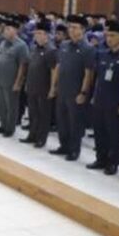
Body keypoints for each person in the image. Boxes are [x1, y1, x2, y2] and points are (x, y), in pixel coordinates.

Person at [87, 21, 119, 176]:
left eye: (113, 35)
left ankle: (113, 162)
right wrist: (94, 96)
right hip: (101, 98)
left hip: (116, 101)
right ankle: (100, 158)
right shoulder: (102, 54)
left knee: (114, 134)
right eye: (107, 35)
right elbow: (98, 78)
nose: (109, 38)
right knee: (99, 131)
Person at [49, 14, 96, 162]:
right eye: (70, 27)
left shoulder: (88, 49)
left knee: (75, 123)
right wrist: (53, 86)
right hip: (62, 89)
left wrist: (83, 92)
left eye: (75, 27)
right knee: (61, 121)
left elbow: (89, 73)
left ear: (83, 30)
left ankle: (74, 149)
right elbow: (58, 66)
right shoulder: (64, 45)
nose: (71, 29)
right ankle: (64, 145)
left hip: (76, 92)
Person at [0, 18, 29, 138]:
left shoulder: (21, 46)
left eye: (8, 29)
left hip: (11, 81)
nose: (5, 31)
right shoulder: (2, 43)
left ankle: (10, 128)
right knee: (1, 104)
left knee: (11, 105)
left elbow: (23, 65)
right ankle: (3, 125)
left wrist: (18, 82)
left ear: (15, 30)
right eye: (5, 29)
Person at [23, 19, 57, 148]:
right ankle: (32, 134)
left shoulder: (51, 50)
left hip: (44, 87)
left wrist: (53, 88)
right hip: (32, 85)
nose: (36, 36)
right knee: (32, 112)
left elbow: (54, 70)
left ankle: (41, 138)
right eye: (35, 33)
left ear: (46, 35)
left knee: (43, 114)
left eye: (39, 33)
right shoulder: (34, 48)